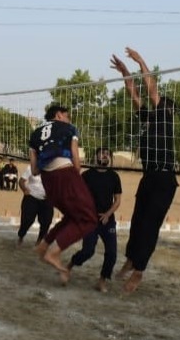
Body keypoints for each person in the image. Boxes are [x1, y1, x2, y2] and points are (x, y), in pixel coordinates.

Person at [110, 47, 179, 293]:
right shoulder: (150, 119)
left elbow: (150, 89)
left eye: (160, 102)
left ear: (167, 109)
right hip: (149, 176)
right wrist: (125, 72)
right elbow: (134, 93)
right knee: (138, 222)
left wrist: (140, 61)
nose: (156, 102)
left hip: (165, 179)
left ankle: (139, 271)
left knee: (149, 226)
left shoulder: (165, 119)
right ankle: (131, 259)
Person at [28, 103, 98, 284]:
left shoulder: (35, 134)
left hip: (47, 181)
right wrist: (76, 173)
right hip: (65, 174)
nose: (69, 119)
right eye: (67, 116)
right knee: (89, 219)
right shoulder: (68, 128)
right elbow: (74, 152)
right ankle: (54, 253)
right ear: (59, 115)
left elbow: (34, 170)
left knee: (72, 215)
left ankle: (44, 245)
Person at [67, 148, 122, 293]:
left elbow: (117, 200)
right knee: (88, 251)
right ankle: (71, 264)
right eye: (101, 153)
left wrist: (108, 214)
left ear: (109, 158)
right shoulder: (87, 175)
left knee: (112, 253)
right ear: (96, 156)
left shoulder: (114, 176)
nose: (104, 155)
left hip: (107, 220)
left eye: (107, 153)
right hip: (89, 219)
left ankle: (102, 280)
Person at [16, 164, 54, 247]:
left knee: (46, 221)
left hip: (47, 200)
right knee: (27, 220)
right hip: (31, 197)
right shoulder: (32, 167)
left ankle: (39, 240)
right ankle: (21, 235)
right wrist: (24, 189)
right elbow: (21, 181)